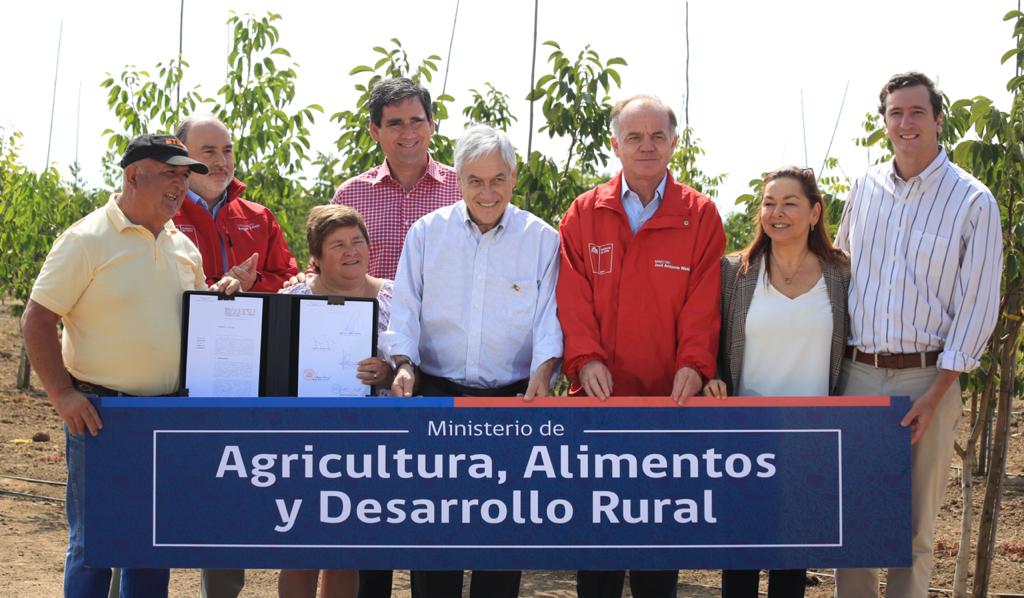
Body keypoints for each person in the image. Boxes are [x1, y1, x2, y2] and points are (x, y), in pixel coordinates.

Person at [20, 134, 241, 598]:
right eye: (170, 174)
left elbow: (192, 318)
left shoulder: (183, 246)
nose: (181, 186)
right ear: (133, 175)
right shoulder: (86, 239)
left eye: (185, 177)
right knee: (95, 542)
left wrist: (221, 298)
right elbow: (37, 320)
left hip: (164, 415)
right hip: (101, 414)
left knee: (150, 543)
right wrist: (62, 395)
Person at [834, 72, 1002, 598]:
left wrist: (938, 391)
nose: (906, 124)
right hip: (858, 372)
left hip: (929, 376)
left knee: (915, 528)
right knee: (854, 523)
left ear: (937, 118)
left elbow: (978, 305)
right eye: (895, 114)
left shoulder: (972, 201)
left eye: (916, 113)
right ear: (884, 122)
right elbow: (840, 273)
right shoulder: (863, 190)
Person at [556, 94, 725, 598]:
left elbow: (704, 302)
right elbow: (571, 296)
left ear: (674, 143)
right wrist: (584, 360)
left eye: (657, 136)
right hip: (598, 406)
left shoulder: (700, 215)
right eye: (634, 137)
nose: (646, 146)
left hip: (667, 407)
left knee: (658, 545)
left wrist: (695, 366)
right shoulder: (585, 213)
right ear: (615, 145)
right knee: (599, 550)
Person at [383, 124, 562, 598]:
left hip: (511, 405)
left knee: (501, 539)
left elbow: (550, 319)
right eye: (476, 181)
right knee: (434, 535)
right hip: (437, 398)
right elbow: (404, 308)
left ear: (514, 178)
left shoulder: (542, 239)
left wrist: (545, 370)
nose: (488, 192)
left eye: (498, 179)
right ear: (458, 179)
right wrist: (403, 363)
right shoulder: (426, 234)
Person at [703, 167, 850, 598]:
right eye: (769, 203)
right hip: (746, 441)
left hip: (811, 440)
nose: (777, 212)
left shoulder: (839, 274)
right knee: (741, 563)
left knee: (791, 565)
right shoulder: (735, 273)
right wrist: (712, 377)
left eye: (790, 203)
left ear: (815, 212)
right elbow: (710, 339)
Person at [275, 205, 390, 597]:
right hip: (301, 443)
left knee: (346, 550)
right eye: (337, 244)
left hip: (366, 444)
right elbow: (272, 366)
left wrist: (388, 373)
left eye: (357, 241)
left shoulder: (394, 298)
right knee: (300, 548)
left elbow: (418, 365)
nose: (350, 251)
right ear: (316, 257)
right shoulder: (292, 297)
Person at [330, 77, 461, 280]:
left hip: (445, 312)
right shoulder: (349, 197)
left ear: (431, 125)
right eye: (395, 124)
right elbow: (325, 268)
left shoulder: (463, 190)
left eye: (416, 121)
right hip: (373, 312)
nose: (408, 133)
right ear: (375, 130)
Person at [172, 114, 299, 293]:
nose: (221, 162)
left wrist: (253, 282)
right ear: (182, 157)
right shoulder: (160, 217)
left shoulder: (260, 217)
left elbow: (290, 281)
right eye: (209, 152)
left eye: (227, 151)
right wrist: (212, 289)